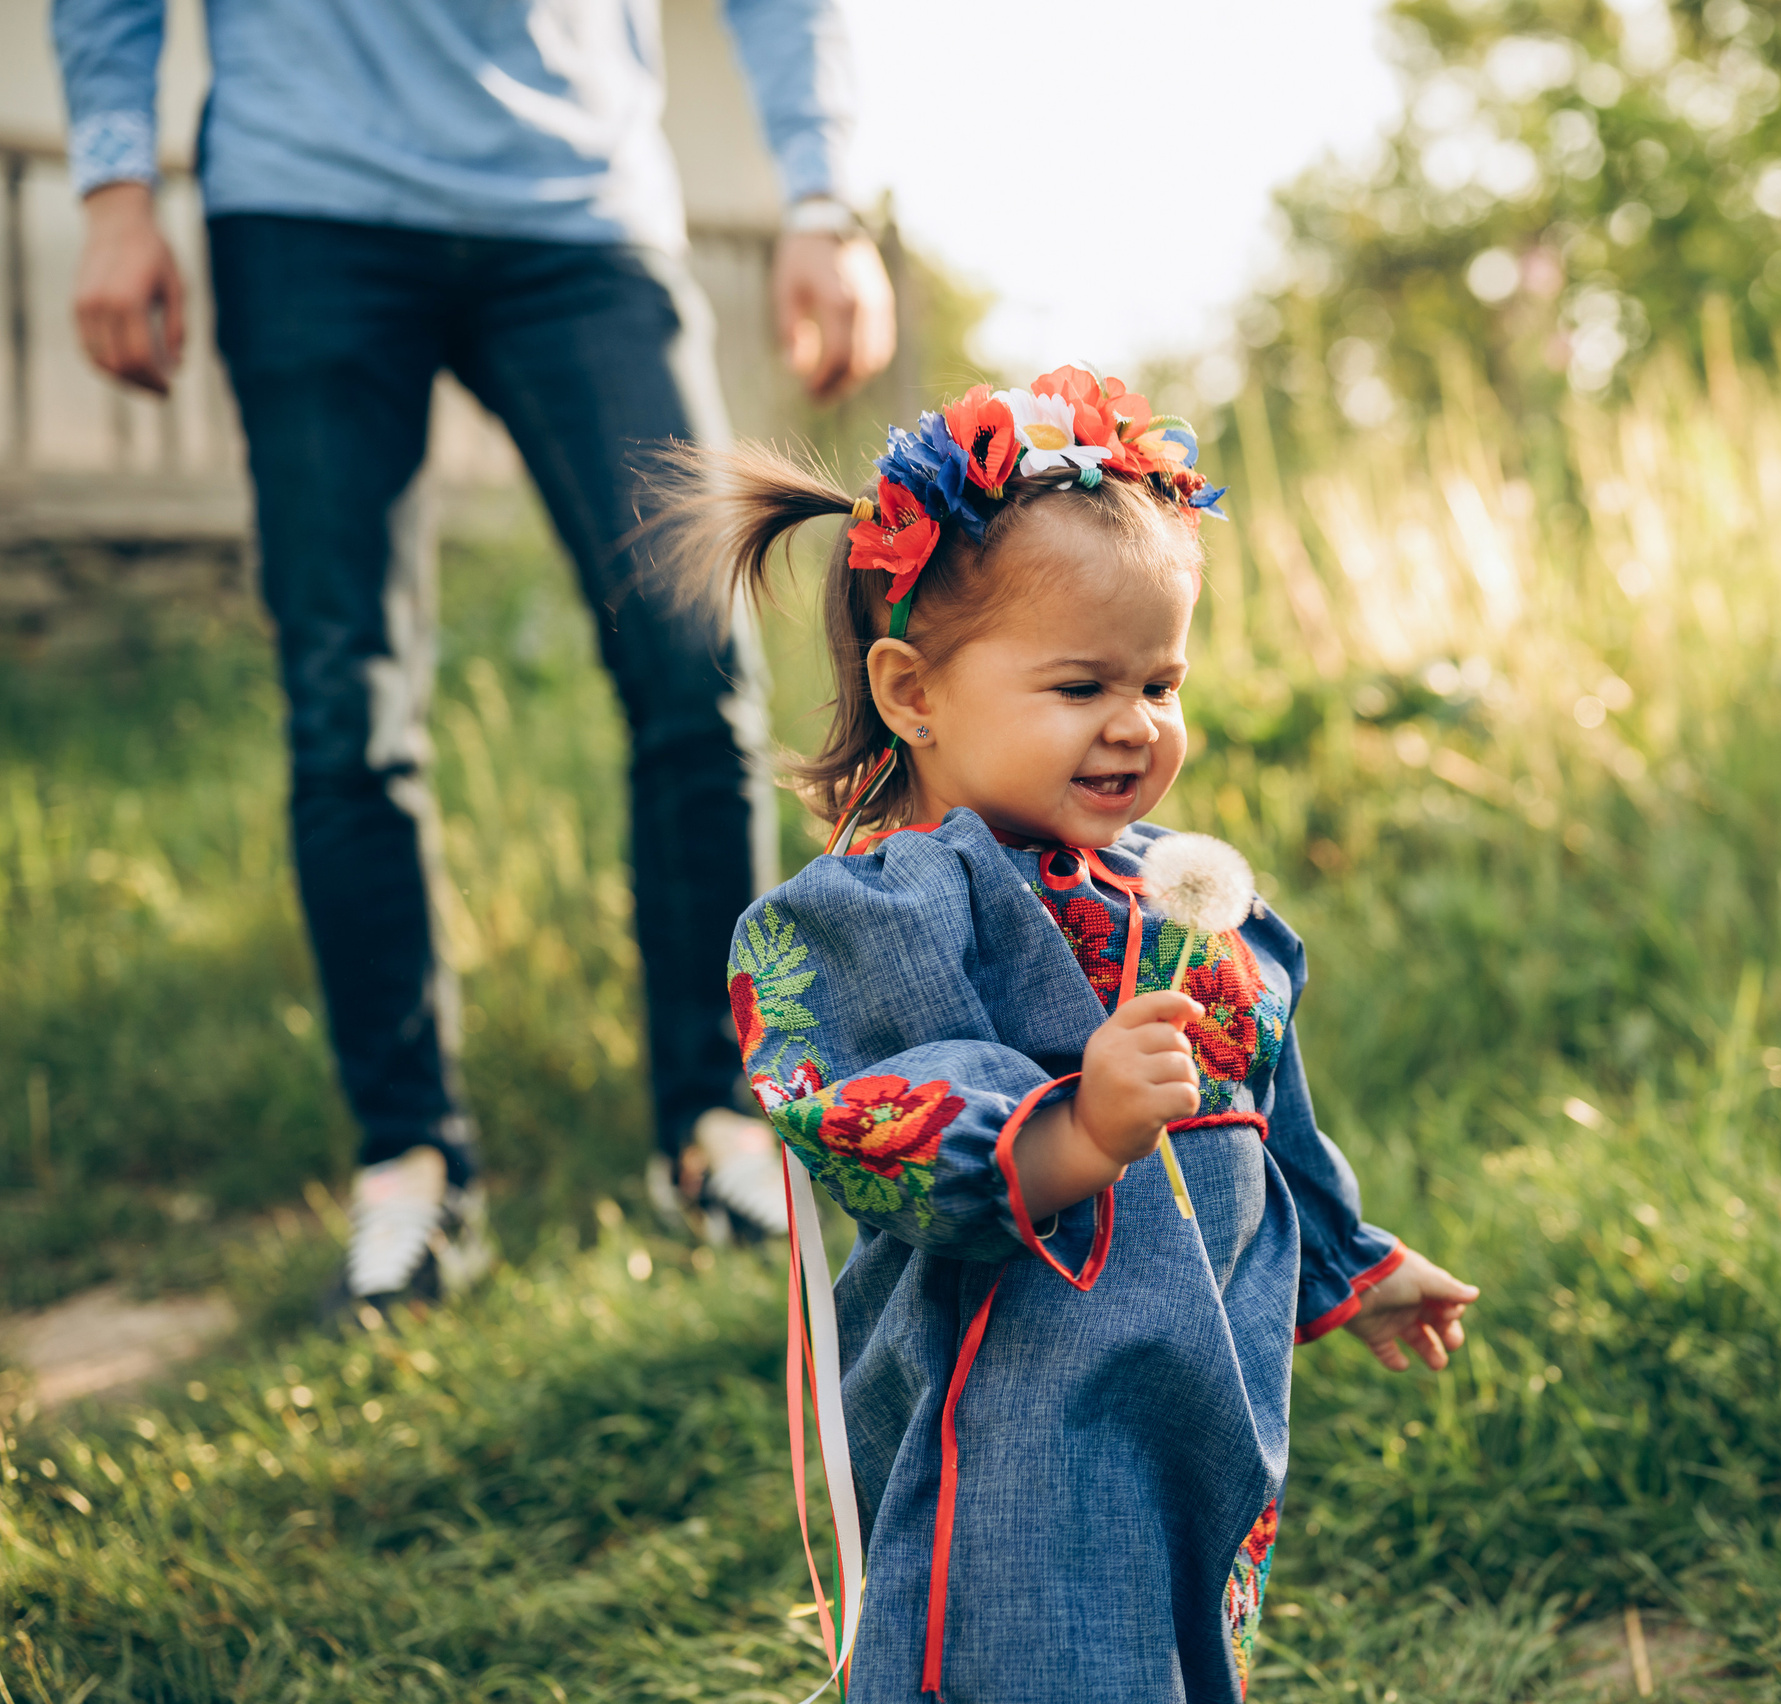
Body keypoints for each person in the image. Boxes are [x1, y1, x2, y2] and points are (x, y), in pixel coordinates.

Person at [50, 0, 895, 1305]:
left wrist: (822, 200)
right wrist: (113, 181)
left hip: (584, 207)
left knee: (696, 663)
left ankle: (723, 1121)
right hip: (305, 194)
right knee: (349, 702)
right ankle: (411, 1170)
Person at [692, 368, 1481, 1701]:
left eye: (1161, 681)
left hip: (1196, 1385)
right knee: (1024, 1649)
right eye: (1079, 684)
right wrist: (1077, 1125)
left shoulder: (1185, 893)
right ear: (911, 690)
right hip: (1014, 1408)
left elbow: (1262, 1104)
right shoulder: (892, 905)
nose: (1134, 723)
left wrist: (1348, 1262)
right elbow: (879, 1127)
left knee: (1171, 1648)